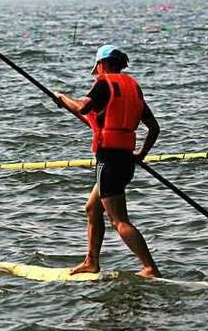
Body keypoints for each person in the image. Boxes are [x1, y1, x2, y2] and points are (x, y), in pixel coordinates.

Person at [55, 45, 161, 278]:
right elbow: (154, 128)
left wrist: (62, 98)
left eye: (97, 68)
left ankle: (149, 268)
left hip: (109, 162)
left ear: (102, 64)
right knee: (92, 208)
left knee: (119, 220)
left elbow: (83, 107)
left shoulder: (104, 84)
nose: (97, 73)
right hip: (125, 161)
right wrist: (141, 154)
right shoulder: (133, 88)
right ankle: (91, 261)